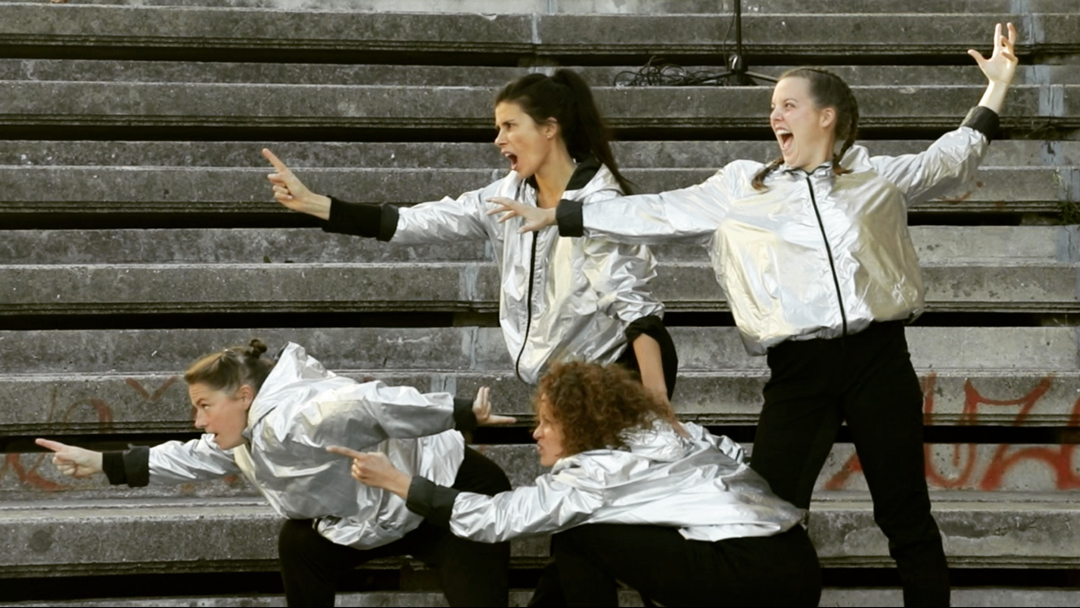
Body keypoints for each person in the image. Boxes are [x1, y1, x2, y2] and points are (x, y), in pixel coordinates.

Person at [487, 24, 1018, 607]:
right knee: (762, 516)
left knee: (905, 514)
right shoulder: (744, 185)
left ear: (827, 117)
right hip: (799, 372)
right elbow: (661, 211)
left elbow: (954, 154)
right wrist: (565, 217)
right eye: (772, 107)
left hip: (878, 361)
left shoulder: (875, 177)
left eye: (788, 105)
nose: (775, 117)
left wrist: (996, 89)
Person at [261, 69, 677, 401]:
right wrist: (317, 204)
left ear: (549, 128)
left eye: (510, 126)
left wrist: (655, 403)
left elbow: (637, 312)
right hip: (562, 383)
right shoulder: (504, 196)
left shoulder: (601, 205)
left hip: (620, 376)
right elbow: (415, 222)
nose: (499, 140)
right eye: (498, 128)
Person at [36, 339, 515, 607]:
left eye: (205, 407)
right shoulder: (247, 436)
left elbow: (369, 402)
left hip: (449, 495)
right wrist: (100, 462)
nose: (199, 421)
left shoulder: (299, 415)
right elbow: (187, 456)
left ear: (243, 396)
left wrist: (462, 412)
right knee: (301, 543)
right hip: (380, 515)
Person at [334, 361, 821, 607]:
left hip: (752, 578)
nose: (536, 432)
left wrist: (401, 482)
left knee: (577, 531)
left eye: (547, 422)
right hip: (796, 564)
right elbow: (732, 455)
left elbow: (498, 518)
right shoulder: (657, 433)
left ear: (582, 425)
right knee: (583, 534)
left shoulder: (596, 474)